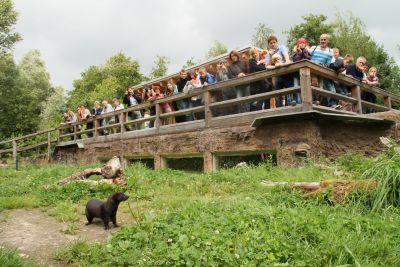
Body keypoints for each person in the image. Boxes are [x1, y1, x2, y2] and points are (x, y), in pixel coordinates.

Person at [265, 36, 293, 106]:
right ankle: (280, 110)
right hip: (277, 75)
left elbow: (287, 61)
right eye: (271, 43)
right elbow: (267, 66)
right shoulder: (268, 54)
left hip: (286, 72)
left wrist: (280, 65)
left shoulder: (282, 48)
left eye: (274, 42)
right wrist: (275, 65)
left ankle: (290, 108)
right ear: (269, 45)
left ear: (277, 42)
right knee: (277, 94)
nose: (273, 44)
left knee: (289, 91)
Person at [309, 34, 336, 107]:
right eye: (321, 39)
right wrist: (314, 62)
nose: (323, 41)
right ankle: (313, 101)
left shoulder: (330, 51)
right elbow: (307, 57)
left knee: (321, 87)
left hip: (322, 71)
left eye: (324, 39)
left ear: (328, 41)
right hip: (312, 69)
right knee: (314, 83)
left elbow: (328, 64)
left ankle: (317, 102)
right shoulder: (314, 48)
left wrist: (322, 65)